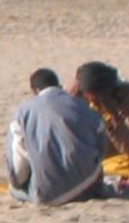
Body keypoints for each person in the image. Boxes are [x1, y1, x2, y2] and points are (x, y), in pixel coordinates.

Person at [6, 68, 107, 205]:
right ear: (58, 85)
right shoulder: (82, 105)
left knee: (13, 188)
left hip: (48, 193)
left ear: (35, 90)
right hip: (88, 184)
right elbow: (101, 142)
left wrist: (17, 183)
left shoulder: (23, 112)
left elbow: (19, 161)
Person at [72, 61, 129, 180]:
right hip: (80, 156)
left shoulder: (128, 98)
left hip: (111, 159)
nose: (91, 98)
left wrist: (112, 117)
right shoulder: (73, 97)